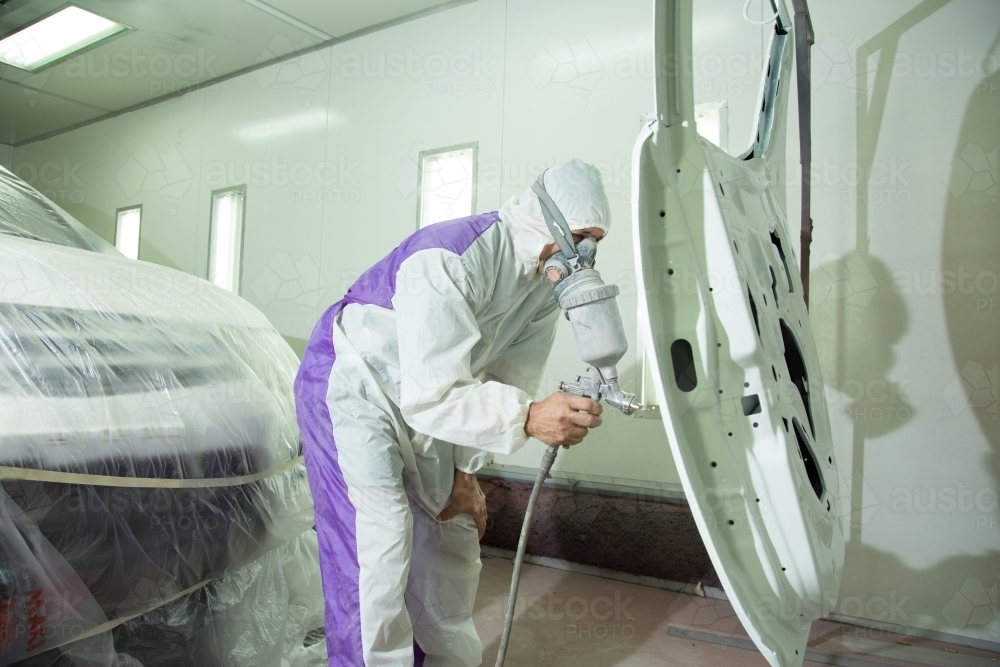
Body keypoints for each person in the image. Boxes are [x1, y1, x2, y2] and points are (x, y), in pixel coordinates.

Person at [295, 158, 610, 667]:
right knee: (380, 539)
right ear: (543, 219)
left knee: (452, 531)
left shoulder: (542, 294)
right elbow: (434, 392)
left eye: (597, 238)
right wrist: (530, 418)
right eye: (581, 235)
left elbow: (506, 382)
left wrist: (465, 470)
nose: (589, 252)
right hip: (355, 384)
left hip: (429, 401)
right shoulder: (450, 255)